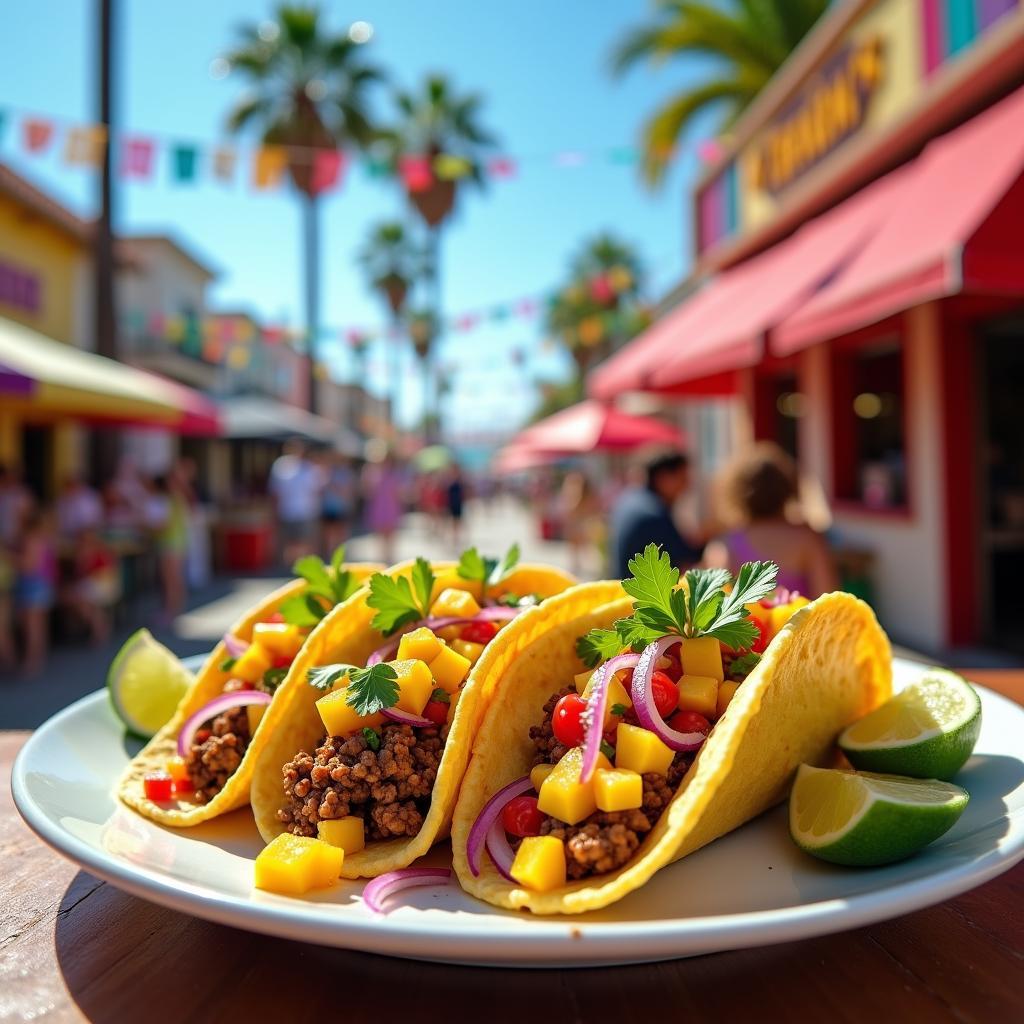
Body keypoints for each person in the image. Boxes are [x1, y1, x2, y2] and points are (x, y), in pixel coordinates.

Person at [703, 442, 838, 598]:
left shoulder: (723, 546)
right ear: (788, 488)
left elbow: (715, 607)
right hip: (803, 622)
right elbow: (829, 600)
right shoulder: (808, 539)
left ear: (736, 492)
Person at [609, 449, 701, 578]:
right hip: (640, 595)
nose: (688, 485)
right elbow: (683, 562)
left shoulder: (629, 499)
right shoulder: (653, 514)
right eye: (683, 478)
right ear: (664, 478)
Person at [269, 439, 323, 566]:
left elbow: (316, 490)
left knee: (304, 541)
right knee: (290, 542)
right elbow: (275, 492)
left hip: (305, 511)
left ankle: (303, 566)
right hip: (287, 511)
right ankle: (295, 567)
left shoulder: (308, 467)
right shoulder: (281, 466)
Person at [15, 510, 57, 675]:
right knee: (39, 626)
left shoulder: (32, 540)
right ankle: (37, 659)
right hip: (42, 585)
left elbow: (29, 566)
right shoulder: (45, 539)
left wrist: (11, 558)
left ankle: (32, 662)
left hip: (33, 586)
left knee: (33, 627)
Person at [62, 527, 119, 645]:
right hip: (102, 586)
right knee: (76, 599)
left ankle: (99, 628)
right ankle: (97, 628)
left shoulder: (92, 552)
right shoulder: (100, 549)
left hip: (101, 586)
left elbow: (82, 572)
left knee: (77, 599)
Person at [145, 474, 189, 622]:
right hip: (178, 544)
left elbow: (162, 525)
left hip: (169, 545)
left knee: (170, 581)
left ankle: (170, 613)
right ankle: (176, 611)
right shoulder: (176, 499)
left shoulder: (165, 501)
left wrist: (146, 527)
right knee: (176, 580)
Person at [362, 452, 404, 564]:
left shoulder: (394, 475)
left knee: (391, 536)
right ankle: (383, 560)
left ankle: (389, 559)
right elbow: (366, 492)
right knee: (380, 536)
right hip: (379, 508)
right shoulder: (372, 474)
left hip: (391, 508)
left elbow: (399, 493)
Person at [320, 452, 357, 555]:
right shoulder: (326, 472)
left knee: (341, 532)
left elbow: (349, 491)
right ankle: (331, 553)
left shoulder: (346, 473)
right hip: (328, 508)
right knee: (329, 533)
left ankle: (340, 553)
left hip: (342, 507)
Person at [445, 466, 466, 547]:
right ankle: (455, 538)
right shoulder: (450, 482)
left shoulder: (460, 482)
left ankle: (457, 538)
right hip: (452, 504)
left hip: (458, 504)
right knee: (454, 522)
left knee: (458, 521)